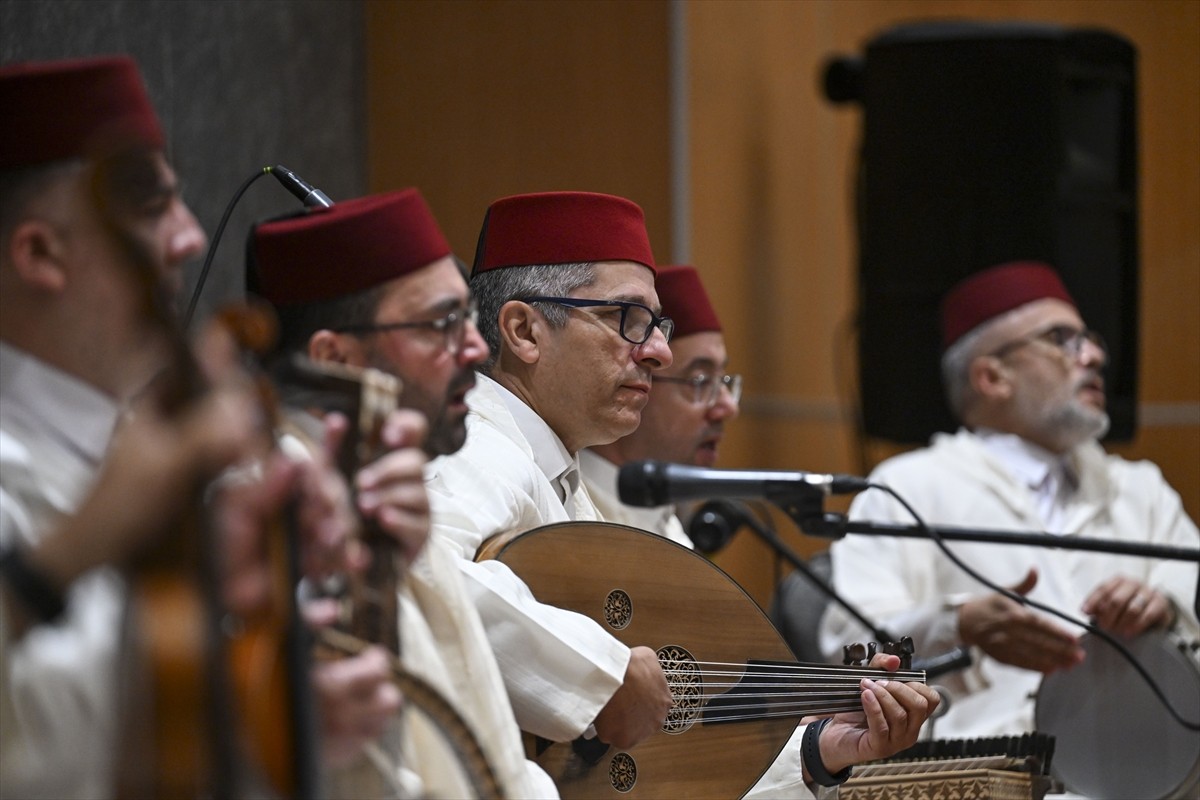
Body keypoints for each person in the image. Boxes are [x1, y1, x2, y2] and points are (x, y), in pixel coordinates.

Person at [426, 192, 939, 796]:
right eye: (627, 320)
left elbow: (656, 764)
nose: (659, 352)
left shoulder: (555, 478)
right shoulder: (478, 452)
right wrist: (604, 677)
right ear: (524, 331)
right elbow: (429, 580)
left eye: (657, 326)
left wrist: (815, 754)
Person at [0, 56, 406, 797]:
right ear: (39, 252)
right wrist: (96, 535)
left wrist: (275, 712)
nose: (190, 237)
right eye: (153, 208)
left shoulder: (155, 446)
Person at [248, 188, 559, 798]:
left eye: (468, 318)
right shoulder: (285, 515)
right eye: (442, 324)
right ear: (334, 358)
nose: (474, 347)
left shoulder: (382, 482)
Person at [820, 261, 1200, 740]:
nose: (1093, 358)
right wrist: (957, 625)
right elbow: (844, 654)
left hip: (1141, 766)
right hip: (978, 773)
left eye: (1091, 340)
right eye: (1062, 340)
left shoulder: (1142, 490)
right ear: (992, 377)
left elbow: (1189, 621)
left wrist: (1162, 608)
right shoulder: (906, 487)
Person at [581, 263, 741, 545]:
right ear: (637, 384)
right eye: (700, 381)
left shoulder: (670, 529)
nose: (727, 408)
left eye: (724, 382)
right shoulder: (568, 513)